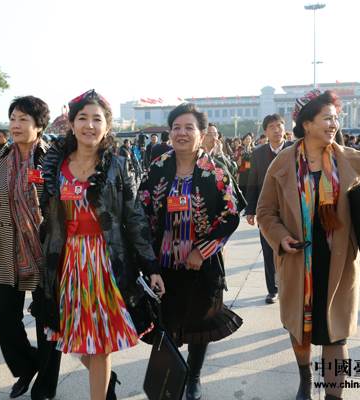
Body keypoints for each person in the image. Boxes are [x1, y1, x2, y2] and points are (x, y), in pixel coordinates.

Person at [256, 90, 360, 400]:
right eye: (327, 118)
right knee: (299, 328)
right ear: (306, 124)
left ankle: (333, 396)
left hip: (338, 261)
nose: (334, 124)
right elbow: (265, 212)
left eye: (335, 118)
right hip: (297, 259)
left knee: (335, 333)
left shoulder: (349, 162)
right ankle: (305, 379)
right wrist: (280, 237)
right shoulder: (283, 162)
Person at [32, 89, 164, 400]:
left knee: (100, 341)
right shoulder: (55, 164)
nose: (89, 125)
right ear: (71, 123)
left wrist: (150, 265)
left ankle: (100, 389)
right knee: (72, 334)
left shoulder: (118, 165)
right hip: (67, 261)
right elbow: (48, 216)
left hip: (105, 261)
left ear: (107, 126)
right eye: (82, 118)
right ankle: (103, 381)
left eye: (97, 119)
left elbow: (135, 217)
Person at [139, 103, 244, 400]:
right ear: (170, 132)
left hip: (202, 266)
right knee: (167, 322)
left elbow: (231, 215)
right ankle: (172, 374)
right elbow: (142, 214)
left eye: (189, 128)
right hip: (164, 266)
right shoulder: (157, 168)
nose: (182, 133)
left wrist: (202, 250)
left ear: (201, 134)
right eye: (176, 127)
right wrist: (146, 260)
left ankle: (194, 375)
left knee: (201, 322)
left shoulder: (216, 171)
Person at [0, 96, 62, 399]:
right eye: (13, 118)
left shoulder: (52, 158)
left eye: (23, 119)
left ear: (39, 126)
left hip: (44, 249)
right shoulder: (0, 156)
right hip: (7, 246)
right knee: (4, 317)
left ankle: (45, 386)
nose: (15, 125)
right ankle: (27, 365)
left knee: (47, 321)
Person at [245, 114, 293, 304]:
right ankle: (272, 289)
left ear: (284, 128)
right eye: (271, 127)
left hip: (292, 208)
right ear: (265, 132)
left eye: (279, 125)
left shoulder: (295, 148)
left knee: (293, 248)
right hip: (267, 210)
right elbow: (253, 181)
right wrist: (250, 209)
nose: (276, 130)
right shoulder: (258, 153)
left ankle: (291, 285)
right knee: (268, 250)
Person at [236, 132, 254, 199]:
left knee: (252, 189)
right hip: (243, 171)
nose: (248, 140)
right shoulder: (240, 150)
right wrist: (241, 155)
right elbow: (238, 164)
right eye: (246, 139)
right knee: (243, 189)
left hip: (252, 171)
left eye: (249, 139)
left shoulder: (254, 150)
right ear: (243, 141)